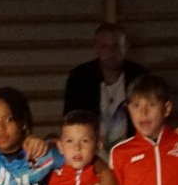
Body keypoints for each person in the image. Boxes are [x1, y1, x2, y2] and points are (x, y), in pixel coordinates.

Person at [63, 23, 150, 151]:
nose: (111, 52)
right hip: (90, 151)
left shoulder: (140, 76)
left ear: (126, 46)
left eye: (116, 45)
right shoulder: (80, 77)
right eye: (104, 46)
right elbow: (70, 118)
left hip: (133, 149)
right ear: (96, 47)